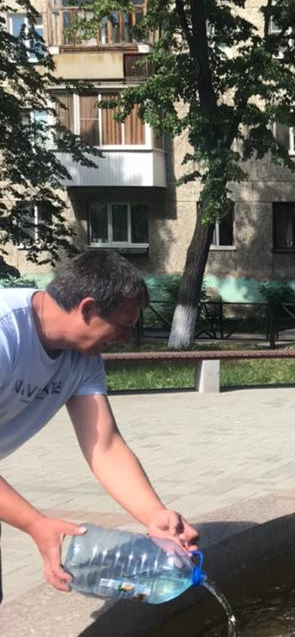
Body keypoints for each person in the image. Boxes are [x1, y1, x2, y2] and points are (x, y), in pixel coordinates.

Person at [0, 249, 198, 599]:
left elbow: (104, 445)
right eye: (123, 326)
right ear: (88, 308)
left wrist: (154, 514)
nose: (124, 339)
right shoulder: (5, 333)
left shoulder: (83, 356)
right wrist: (34, 523)